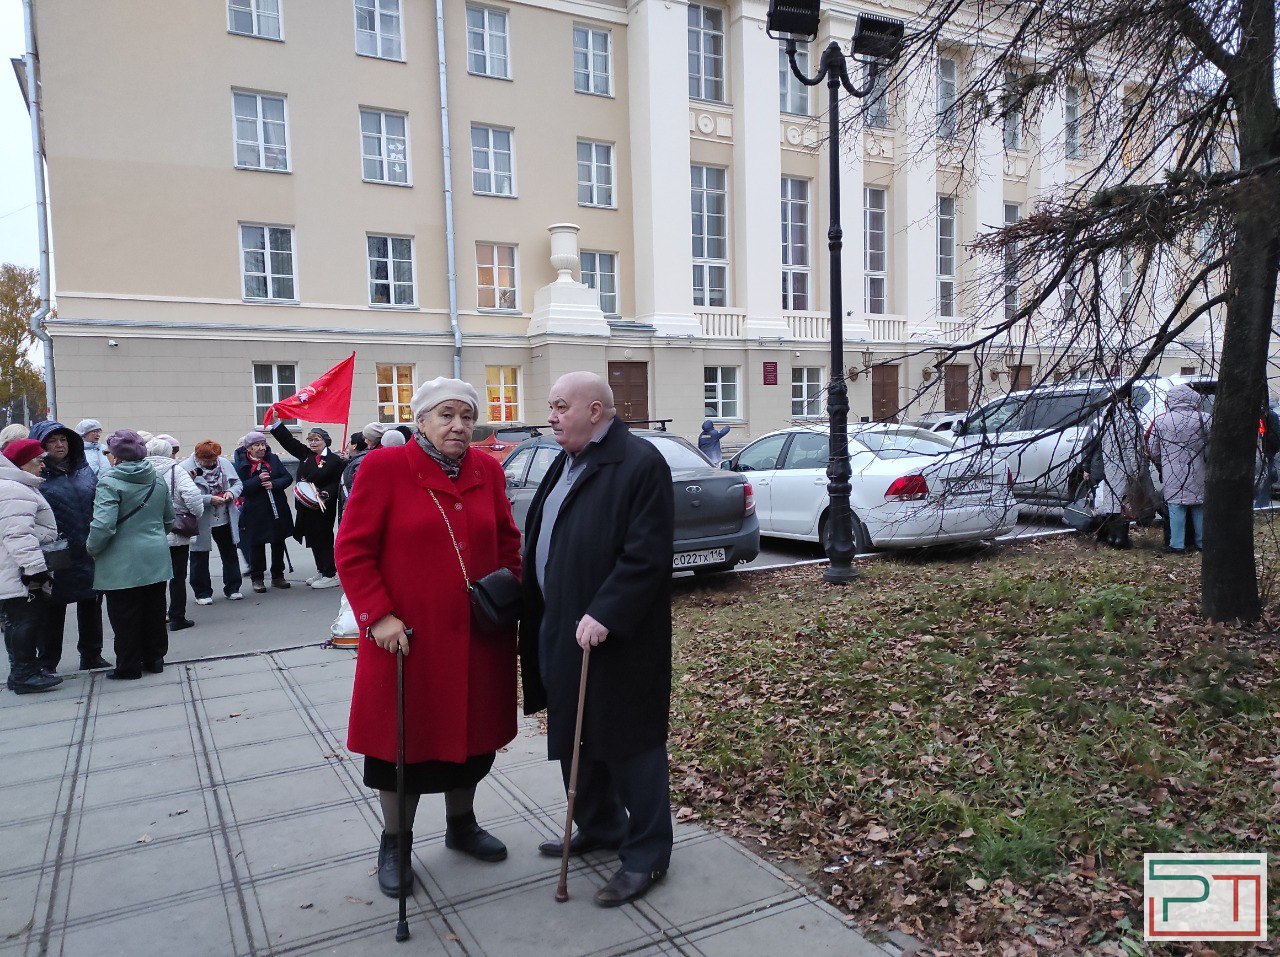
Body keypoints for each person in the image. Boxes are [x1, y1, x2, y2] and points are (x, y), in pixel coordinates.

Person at [336, 377, 521, 898]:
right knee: (402, 747)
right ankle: (395, 842)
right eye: (446, 415)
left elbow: (507, 540)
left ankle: (461, 825)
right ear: (420, 421)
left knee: (472, 740)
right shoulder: (384, 468)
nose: (459, 425)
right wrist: (377, 616)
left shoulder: (486, 469)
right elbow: (352, 550)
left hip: (480, 634)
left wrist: (510, 590)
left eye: (467, 415)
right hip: (407, 639)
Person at [519, 371, 676, 908]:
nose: (552, 415)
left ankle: (648, 851)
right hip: (562, 624)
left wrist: (607, 610)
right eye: (551, 405)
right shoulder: (566, 460)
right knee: (575, 731)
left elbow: (648, 553)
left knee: (631, 742)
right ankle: (601, 825)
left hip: (619, 636)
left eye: (561, 405)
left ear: (596, 409)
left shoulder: (638, 463)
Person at [86, 429, 175, 680]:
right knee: (154, 610)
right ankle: (155, 659)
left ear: (115, 455)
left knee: (125, 615)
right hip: (155, 555)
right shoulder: (157, 479)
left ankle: (129, 666)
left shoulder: (109, 482)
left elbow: (103, 525)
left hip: (120, 559)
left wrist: (92, 548)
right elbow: (169, 519)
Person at [29, 420, 108, 672]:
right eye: (52, 441)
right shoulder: (35, 477)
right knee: (52, 610)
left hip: (87, 548)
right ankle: (48, 662)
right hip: (55, 553)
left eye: (63, 440)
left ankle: (92, 654)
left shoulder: (84, 471)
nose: (59, 445)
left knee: (91, 603)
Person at [0, 439, 62, 694]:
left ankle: (23, 672)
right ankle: (24, 674)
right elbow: (17, 534)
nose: (42, 464)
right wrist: (35, 568)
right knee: (23, 621)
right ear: (22, 463)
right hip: (19, 571)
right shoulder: (15, 490)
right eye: (38, 460)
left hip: (15, 569)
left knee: (18, 620)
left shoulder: (16, 486)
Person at [268, 423, 344, 589]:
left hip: (322, 506)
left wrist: (325, 493)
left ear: (325, 441)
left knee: (323, 539)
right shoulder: (305, 455)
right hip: (305, 505)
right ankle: (321, 570)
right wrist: (276, 424)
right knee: (312, 538)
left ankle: (330, 574)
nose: (313, 443)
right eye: (310, 440)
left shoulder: (335, 460)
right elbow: (288, 441)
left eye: (316, 439)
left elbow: (336, 482)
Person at [145, 437, 204, 629]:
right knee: (177, 576)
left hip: (149, 532)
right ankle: (177, 617)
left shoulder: (140, 470)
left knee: (155, 578)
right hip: (176, 530)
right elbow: (193, 498)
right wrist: (194, 514)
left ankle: (156, 617)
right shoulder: (176, 470)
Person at [1087, 393, 1155, 549]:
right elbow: (1133, 448)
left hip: (1111, 468)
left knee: (1113, 505)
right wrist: (1137, 470)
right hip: (1125, 468)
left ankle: (1112, 537)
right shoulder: (1128, 419)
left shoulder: (1107, 420)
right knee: (1124, 504)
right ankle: (1121, 539)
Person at [1146, 384, 1209, 553]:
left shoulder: (1161, 420)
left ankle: (1177, 544)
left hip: (1171, 470)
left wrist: (1163, 461)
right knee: (1199, 506)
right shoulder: (1204, 418)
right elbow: (1213, 445)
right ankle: (1202, 542)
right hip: (1199, 468)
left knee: (1176, 507)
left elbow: (1153, 449)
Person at [182, 441, 244, 604]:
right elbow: (183, 495)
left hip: (224, 516)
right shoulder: (185, 467)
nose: (211, 463)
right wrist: (209, 499)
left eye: (213, 460)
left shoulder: (223, 463)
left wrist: (231, 492)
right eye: (207, 461)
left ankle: (233, 588)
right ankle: (202, 593)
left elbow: (238, 484)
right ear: (197, 456)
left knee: (229, 552)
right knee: (199, 555)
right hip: (201, 518)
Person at [233, 430, 294, 593]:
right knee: (256, 545)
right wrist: (257, 480)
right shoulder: (241, 464)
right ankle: (257, 578)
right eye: (256, 445)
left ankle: (278, 576)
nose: (261, 448)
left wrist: (274, 484)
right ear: (249, 448)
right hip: (255, 510)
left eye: (263, 444)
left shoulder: (273, 459)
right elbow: (240, 488)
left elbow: (287, 478)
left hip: (276, 507)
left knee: (278, 541)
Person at [340, 423, 388, 515]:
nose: (365, 441)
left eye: (367, 438)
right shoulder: (376, 453)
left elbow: (359, 484)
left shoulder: (375, 456)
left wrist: (349, 504)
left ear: (374, 439)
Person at [1254, 404, 1280, 508]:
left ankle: (1260, 503)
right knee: (1269, 475)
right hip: (1265, 450)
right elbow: (1275, 435)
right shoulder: (1269, 415)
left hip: (1265, 449)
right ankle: (1260, 503)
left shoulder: (1267, 415)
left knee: (1268, 475)